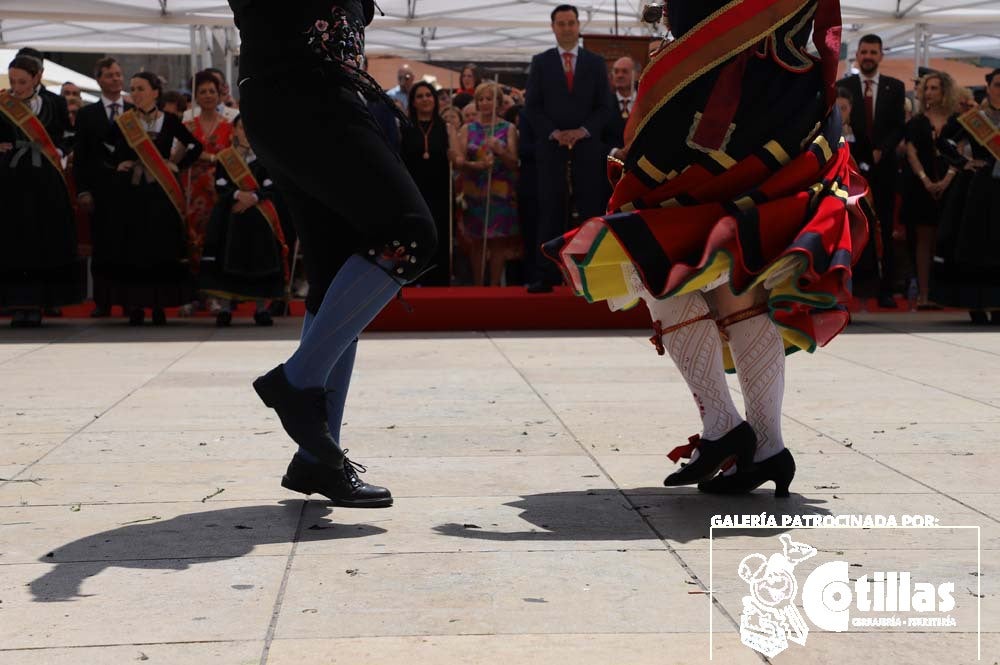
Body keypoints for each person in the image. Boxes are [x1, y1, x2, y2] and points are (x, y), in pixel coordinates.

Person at [542, 0, 868, 496]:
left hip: (728, 96)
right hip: (777, 101)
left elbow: (713, 19)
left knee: (663, 258)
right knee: (737, 275)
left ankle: (728, 428)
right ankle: (767, 447)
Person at [229, 0, 437, 506]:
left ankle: (318, 456)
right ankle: (296, 384)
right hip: (306, 102)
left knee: (334, 269)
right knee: (411, 235)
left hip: (302, 105)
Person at [99, 72, 202, 325]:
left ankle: (159, 305)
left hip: (160, 193)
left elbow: (195, 146)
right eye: (132, 89)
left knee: (160, 247)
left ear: (155, 92)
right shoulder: (124, 122)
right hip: (132, 193)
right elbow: (103, 147)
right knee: (133, 247)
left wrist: (177, 165)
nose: (135, 93)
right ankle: (135, 305)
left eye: (140, 88)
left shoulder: (168, 120)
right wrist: (118, 164)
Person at [524, 4, 613, 293]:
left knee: (590, 209)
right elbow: (532, 107)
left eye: (571, 23)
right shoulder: (541, 62)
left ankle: (592, 273)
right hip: (551, 149)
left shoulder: (595, 63)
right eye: (560, 23)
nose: (566, 28)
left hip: (588, 149)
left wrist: (582, 131)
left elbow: (604, 107)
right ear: (553, 28)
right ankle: (545, 274)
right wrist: (555, 133)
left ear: (578, 26)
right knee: (549, 208)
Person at [0, 56, 86, 327]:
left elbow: (67, 136)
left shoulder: (54, 103)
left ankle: (40, 302)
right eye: (13, 81)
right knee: (14, 240)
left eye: (23, 81)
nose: (17, 87)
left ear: (37, 77)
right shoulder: (2, 103)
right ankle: (15, 304)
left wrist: (59, 150)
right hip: (10, 179)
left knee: (43, 238)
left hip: (46, 179)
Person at [199, 115, 289, 326]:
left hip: (260, 220)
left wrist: (254, 198)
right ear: (235, 131)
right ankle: (225, 308)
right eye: (241, 127)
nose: (245, 132)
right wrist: (239, 195)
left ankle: (261, 309)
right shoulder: (226, 158)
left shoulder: (265, 157)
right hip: (231, 220)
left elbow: (272, 186)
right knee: (227, 261)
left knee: (261, 262)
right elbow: (221, 186)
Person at [837, 35, 906, 308]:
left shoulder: (895, 87)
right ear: (857, 54)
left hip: (884, 170)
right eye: (863, 51)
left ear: (880, 55)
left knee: (885, 229)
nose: (868, 56)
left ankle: (885, 290)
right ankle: (848, 289)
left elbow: (899, 125)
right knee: (850, 229)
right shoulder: (843, 86)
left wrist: (883, 149)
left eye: (873, 52)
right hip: (850, 169)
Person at [931, 68, 1000, 324]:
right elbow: (943, 141)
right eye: (998, 85)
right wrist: (962, 162)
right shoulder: (974, 118)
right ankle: (977, 303)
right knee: (978, 247)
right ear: (989, 87)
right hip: (980, 191)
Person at [73, 57, 133, 318]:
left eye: (119, 74)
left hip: (131, 190)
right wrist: (83, 190)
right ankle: (103, 300)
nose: (116, 79)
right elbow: (81, 156)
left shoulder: (133, 111)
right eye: (109, 75)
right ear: (99, 79)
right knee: (103, 247)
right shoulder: (87, 114)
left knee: (130, 247)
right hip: (101, 190)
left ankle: (131, 299)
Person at [455, 81, 521, 286]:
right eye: (481, 99)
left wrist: (501, 151)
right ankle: (478, 284)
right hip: (475, 191)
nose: (485, 103)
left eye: (489, 99)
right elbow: (460, 162)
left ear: (498, 103)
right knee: (477, 241)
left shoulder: (508, 128)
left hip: (501, 192)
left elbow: (515, 164)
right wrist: (478, 164)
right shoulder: (468, 129)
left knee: (498, 240)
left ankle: (494, 286)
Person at [902, 71, 959, 310]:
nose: (930, 93)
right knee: (923, 241)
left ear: (944, 91)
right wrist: (926, 181)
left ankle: (944, 294)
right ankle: (924, 295)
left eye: (935, 88)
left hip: (951, 185)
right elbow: (911, 152)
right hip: (921, 187)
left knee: (946, 240)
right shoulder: (916, 122)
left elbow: (962, 152)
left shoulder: (956, 122)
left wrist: (947, 180)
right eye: (927, 88)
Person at [401, 81, 453, 285]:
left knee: (440, 232)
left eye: (428, 95)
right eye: (420, 96)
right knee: (417, 233)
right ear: (413, 102)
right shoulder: (404, 127)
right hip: (414, 190)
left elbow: (456, 157)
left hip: (440, 189)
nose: (425, 99)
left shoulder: (446, 128)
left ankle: (439, 280)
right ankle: (413, 278)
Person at [184, 71, 235, 266]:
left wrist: (206, 156)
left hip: (220, 189)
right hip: (192, 189)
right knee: (193, 235)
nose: (207, 95)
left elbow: (232, 156)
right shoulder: (188, 125)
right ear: (196, 96)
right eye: (202, 91)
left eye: (212, 91)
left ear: (219, 95)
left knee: (219, 232)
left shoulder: (230, 126)